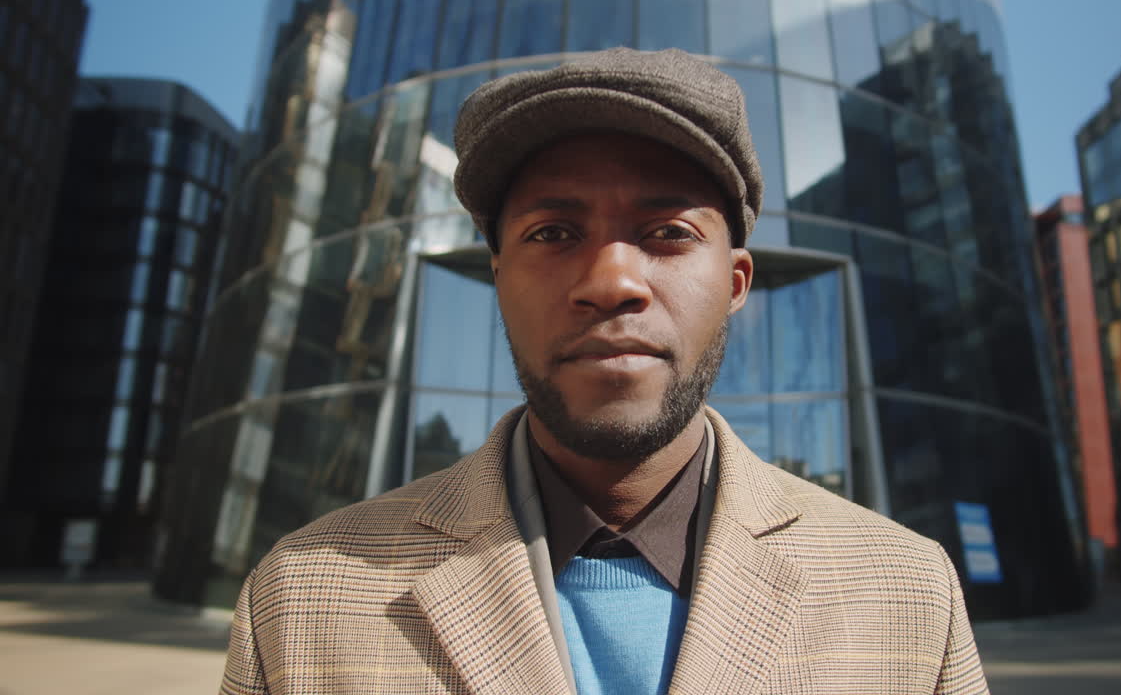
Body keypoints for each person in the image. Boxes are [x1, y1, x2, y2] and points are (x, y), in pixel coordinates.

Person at [220, 47, 989, 695]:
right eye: (553, 231)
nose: (611, 279)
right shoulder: (302, 602)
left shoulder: (909, 596)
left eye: (667, 231)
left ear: (734, 286)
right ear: (498, 279)